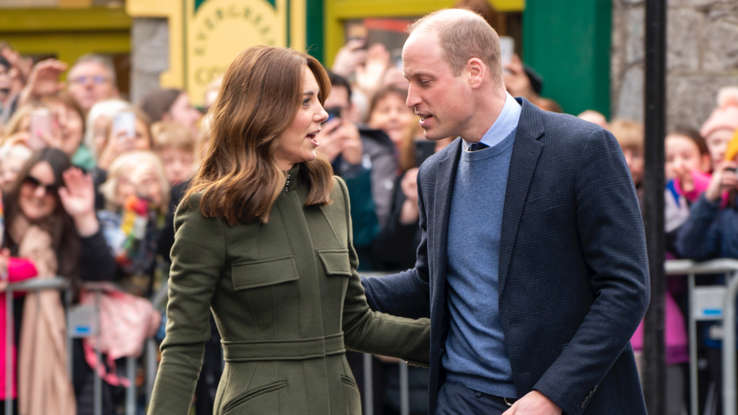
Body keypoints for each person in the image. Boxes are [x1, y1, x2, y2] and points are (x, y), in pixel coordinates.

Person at [361, 9, 649, 415]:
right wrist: (338, 287)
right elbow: (430, 284)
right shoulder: (434, 173)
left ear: (474, 72)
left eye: (424, 81)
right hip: (460, 402)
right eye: (409, 82)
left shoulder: (582, 148)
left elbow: (625, 289)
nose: (411, 99)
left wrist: (553, 395)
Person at [147, 46, 430, 414]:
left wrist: (456, 341)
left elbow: (356, 322)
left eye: (319, 101)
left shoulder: (332, 194)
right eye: (306, 102)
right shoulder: (210, 210)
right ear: (263, 112)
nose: (323, 114)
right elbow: (183, 346)